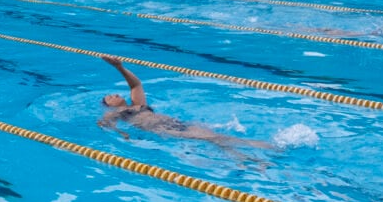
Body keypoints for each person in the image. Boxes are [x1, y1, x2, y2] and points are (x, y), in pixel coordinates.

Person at [98, 56, 271, 151]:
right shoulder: (115, 113)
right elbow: (105, 125)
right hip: (165, 130)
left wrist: (119, 67)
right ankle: (261, 150)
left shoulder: (136, 104)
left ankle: (247, 158)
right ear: (109, 105)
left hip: (175, 124)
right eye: (109, 97)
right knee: (214, 139)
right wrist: (121, 133)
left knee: (216, 138)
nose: (113, 94)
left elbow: (136, 84)